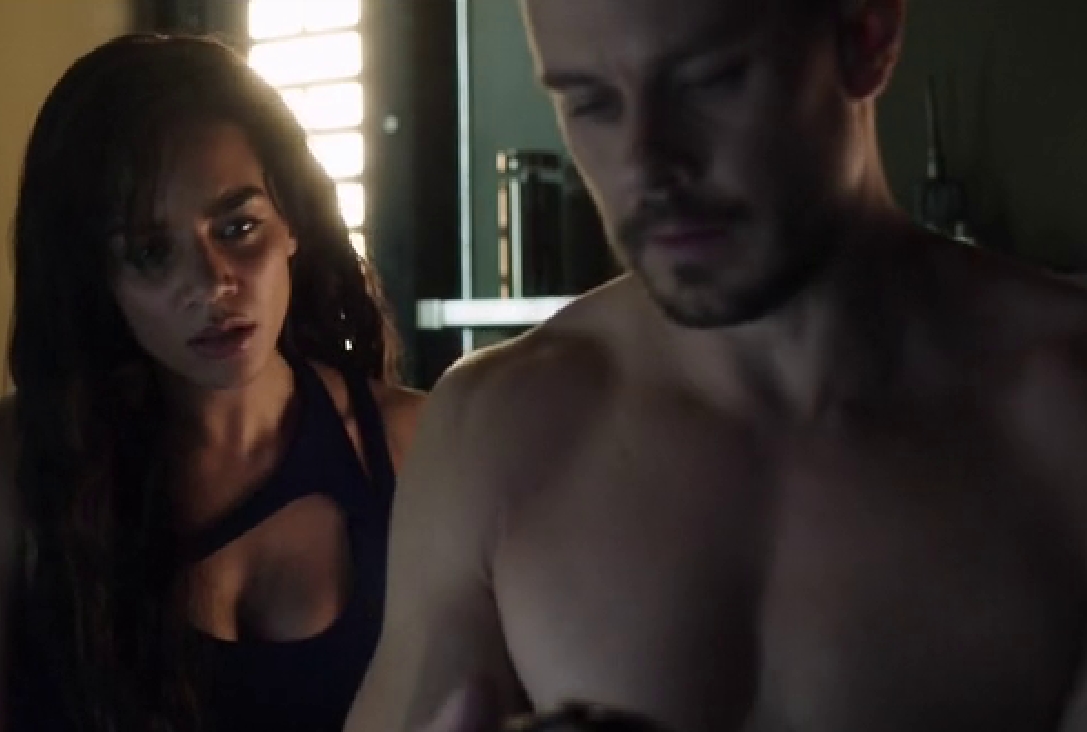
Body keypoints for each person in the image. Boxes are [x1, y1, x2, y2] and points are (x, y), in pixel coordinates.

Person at [346, 0, 1087, 730]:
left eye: (709, 81)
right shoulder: (494, 430)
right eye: (591, 103)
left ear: (867, 37)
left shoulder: (1064, 408)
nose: (646, 166)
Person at [0, 34, 425, 732]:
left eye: (238, 227)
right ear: (100, 276)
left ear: (292, 224)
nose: (211, 284)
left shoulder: (412, 443)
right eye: (151, 252)